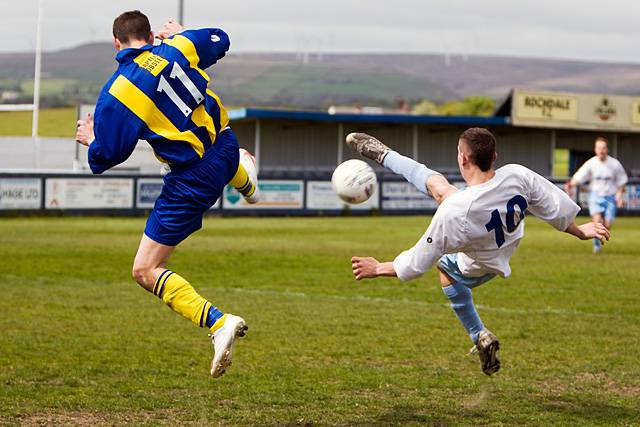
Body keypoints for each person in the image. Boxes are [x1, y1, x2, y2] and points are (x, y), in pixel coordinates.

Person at [75, 11, 258, 377]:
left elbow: (110, 153)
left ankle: (218, 322)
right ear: (149, 34)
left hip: (192, 178)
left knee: (145, 269)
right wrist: (182, 33)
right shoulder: (177, 46)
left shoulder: (119, 89)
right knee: (219, 149)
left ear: (117, 43)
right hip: (224, 142)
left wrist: (92, 140)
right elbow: (221, 39)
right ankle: (246, 178)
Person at [346, 128, 609, 375]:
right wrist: (579, 231)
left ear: (462, 158)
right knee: (440, 188)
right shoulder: (517, 175)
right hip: (501, 246)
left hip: (476, 266)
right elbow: (551, 204)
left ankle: (478, 334)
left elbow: (417, 261)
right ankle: (385, 155)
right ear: (494, 157)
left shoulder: (455, 212)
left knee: (443, 265)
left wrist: (378, 267)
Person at [565, 137, 628, 254]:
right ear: (595, 149)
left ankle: (598, 238)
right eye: (599, 148)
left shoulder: (614, 164)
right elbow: (580, 176)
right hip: (595, 196)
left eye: (603, 148)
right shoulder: (591, 163)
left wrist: (619, 195)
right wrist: (571, 184)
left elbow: (622, 182)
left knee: (607, 226)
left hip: (610, 197)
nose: (601, 150)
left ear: (607, 149)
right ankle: (596, 247)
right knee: (598, 221)